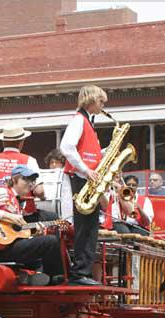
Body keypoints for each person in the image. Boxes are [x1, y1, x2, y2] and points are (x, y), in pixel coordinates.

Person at [59, 85, 109, 286]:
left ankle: (84, 271)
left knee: (90, 227)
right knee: (85, 227)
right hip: (82, 178)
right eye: (101, 101)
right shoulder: (79, 120)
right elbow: (66, 147)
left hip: (87, 178)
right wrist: (86, 170)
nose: (103, 106)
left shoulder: (87, 121)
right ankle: (80, 272)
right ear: (90, 100)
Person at [0, 165, 66, 285]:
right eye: (26, 179)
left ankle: (40, 277)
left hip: (8, 246)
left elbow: (16, 232)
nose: (30, 184)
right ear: (14, 179)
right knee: (51, 241)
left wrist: (35, 234)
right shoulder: (2, 192)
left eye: (32, 180)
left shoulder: (17, 202)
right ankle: (55, 278)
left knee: (44, 242)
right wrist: (9, 216)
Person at [0, 123, 39, 195]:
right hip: (20, 205)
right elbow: (39, 191)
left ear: (3, 142)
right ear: (21, 142)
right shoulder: (30, 161)